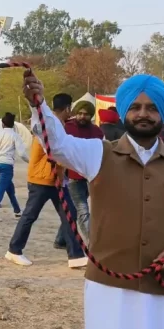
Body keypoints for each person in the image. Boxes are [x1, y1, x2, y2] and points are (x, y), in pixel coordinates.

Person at [23, 72, 164, 329]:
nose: (143, 114)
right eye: (136, 107)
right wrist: (38, 105)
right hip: (108, 289)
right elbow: (58, 144)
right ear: (125, 111)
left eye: (152, 108)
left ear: (163, 113)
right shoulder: (98, 154)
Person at [5, 93, 87, 268]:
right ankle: (14, 250)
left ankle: (76, 255)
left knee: (69, 215)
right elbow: (56, 154)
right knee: (30, 215)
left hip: (54, 179)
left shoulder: (55, 124)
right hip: (43, 179)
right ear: (68, 108)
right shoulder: (51, 126)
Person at [63, 99, 103, 239]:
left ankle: (61, 238)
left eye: (85, 114)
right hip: (73, 177)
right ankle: (92, 243)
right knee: (82, 210)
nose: (81, 116)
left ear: (91, 115)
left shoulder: (97, 132)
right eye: (79, 113)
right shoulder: (67, 128)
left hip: (91, 177)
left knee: (76, 210)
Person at [0, 112, 28, 221]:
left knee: (9, 188)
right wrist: (30, 162)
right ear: (13, 125)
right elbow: (22, 153)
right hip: (7, 165)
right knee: (1, 188)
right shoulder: (15, 136)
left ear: (2, 124)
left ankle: (17, 211)